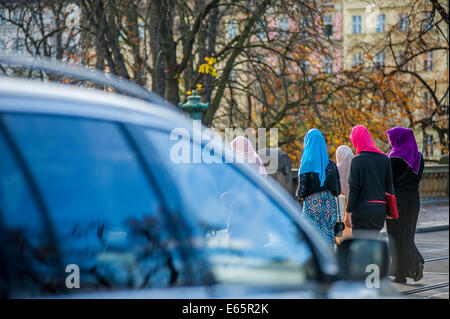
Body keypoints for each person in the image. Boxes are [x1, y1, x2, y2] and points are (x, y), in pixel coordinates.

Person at [385, 127, 425, 284]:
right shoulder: (419, 157)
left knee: (394, 235)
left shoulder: (394, 158)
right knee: (408, 234)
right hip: (413, 199)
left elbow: (388, 182)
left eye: (391, 138)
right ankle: (412, 266)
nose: (390, 141)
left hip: (398, 200)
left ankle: (404, 270)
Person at [345, 125, 394, 238]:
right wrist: (390, 210)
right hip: (379, 210)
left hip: (362, 210)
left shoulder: (357, 161)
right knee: (372, 242)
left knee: (360, 245)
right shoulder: (384, 158)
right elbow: (389, 186)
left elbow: (354, 189)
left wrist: (348, 213)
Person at [295, 129, 341, 248]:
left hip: (312, 205)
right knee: (328, 235)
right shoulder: (331, 165)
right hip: (329, 205)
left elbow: (301, 192)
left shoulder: (306, 164)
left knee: (312, 237)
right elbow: (338, 190)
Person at [335, 145, 354, 243]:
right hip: (353, 205)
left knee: (339, 235)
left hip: (340, 205)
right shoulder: (356, 167)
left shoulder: (335, 169)